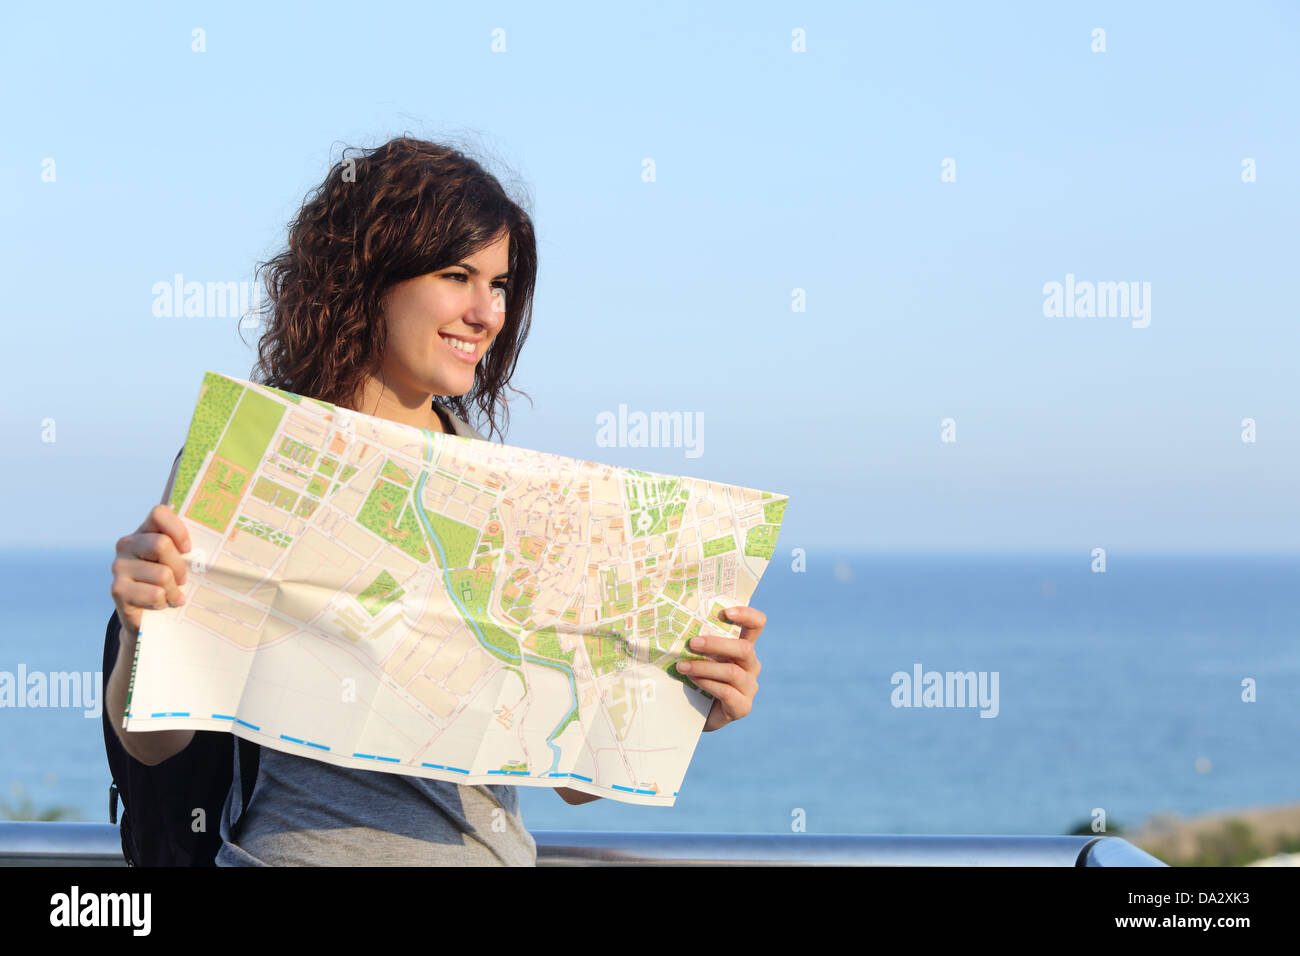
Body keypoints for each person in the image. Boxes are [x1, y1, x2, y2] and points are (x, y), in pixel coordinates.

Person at [105, 136, 767, 865]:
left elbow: (573, 777)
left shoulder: (507, 491)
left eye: (502, 285)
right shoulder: (257, 455)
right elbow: (154, 739)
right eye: (458, 275)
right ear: (369, 273)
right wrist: (142, 625)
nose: (487, 313)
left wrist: (689, 701)